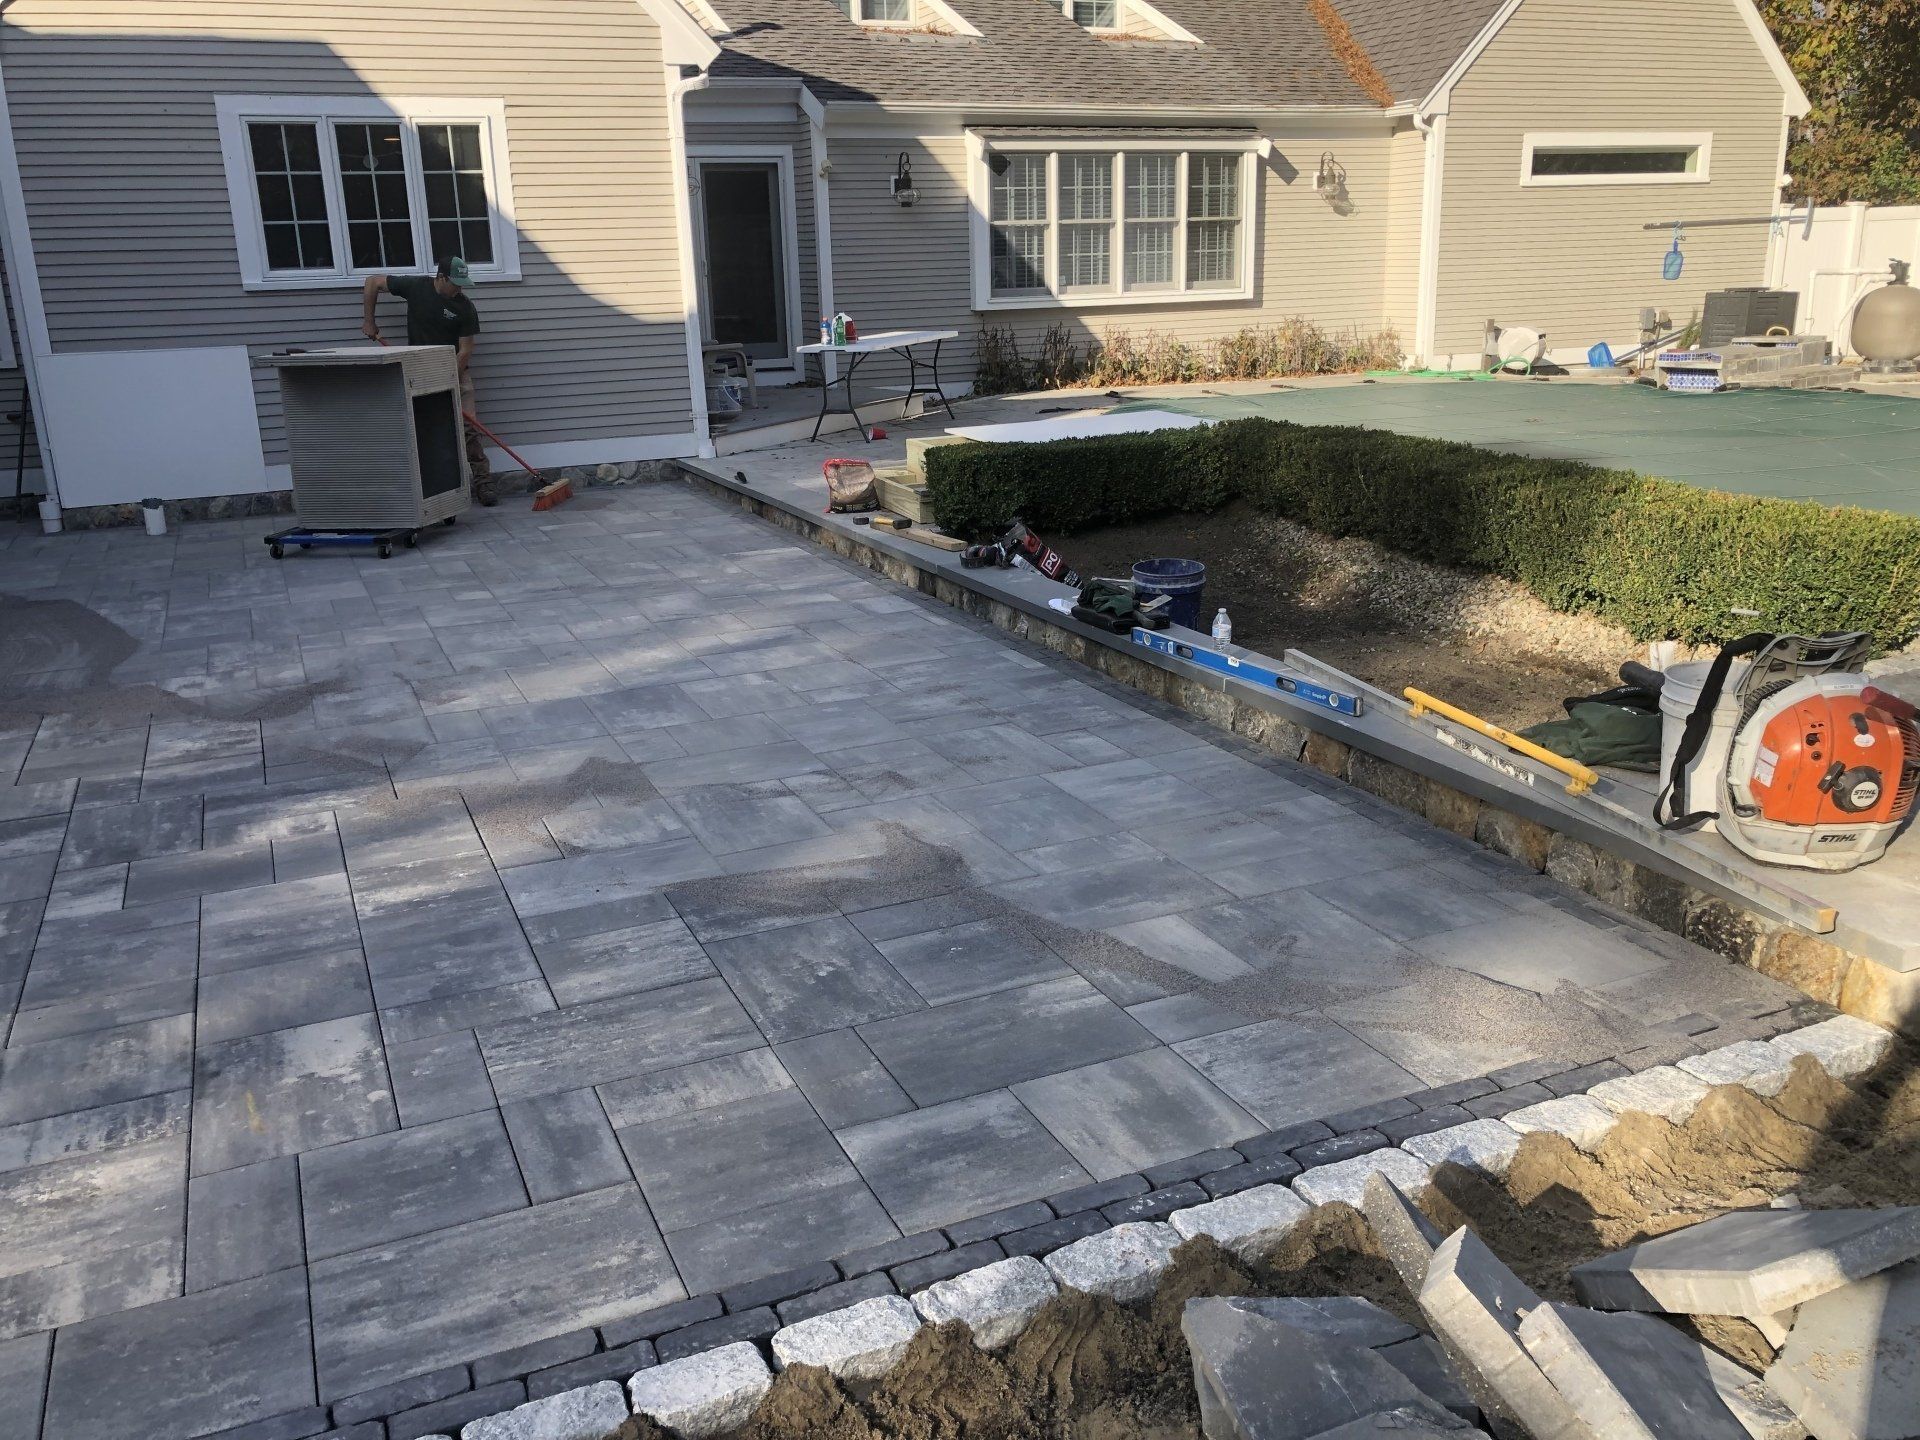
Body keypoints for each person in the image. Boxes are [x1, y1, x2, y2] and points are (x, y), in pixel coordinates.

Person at [361, 256, 495, 504]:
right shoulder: (416, 287)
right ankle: (430, 488)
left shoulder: (464, 307)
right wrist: (370, 321)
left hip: (455, 368)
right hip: (419, 369)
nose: (460, 288)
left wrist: (447, 376)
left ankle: (483, 483)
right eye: (455, 283)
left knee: (468, 427)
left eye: (463, 283)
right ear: (441, 278)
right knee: (424, 428)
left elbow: (465, 350)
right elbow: (372, 282)